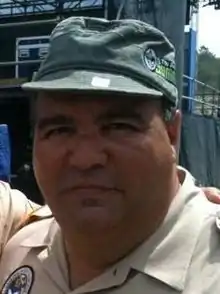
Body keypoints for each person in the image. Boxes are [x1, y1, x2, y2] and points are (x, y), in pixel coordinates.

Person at [0, 16, 220, 293]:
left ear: (172, 134)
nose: (85, 158)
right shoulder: (19, 248)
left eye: (118, 127)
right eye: (59, 130)